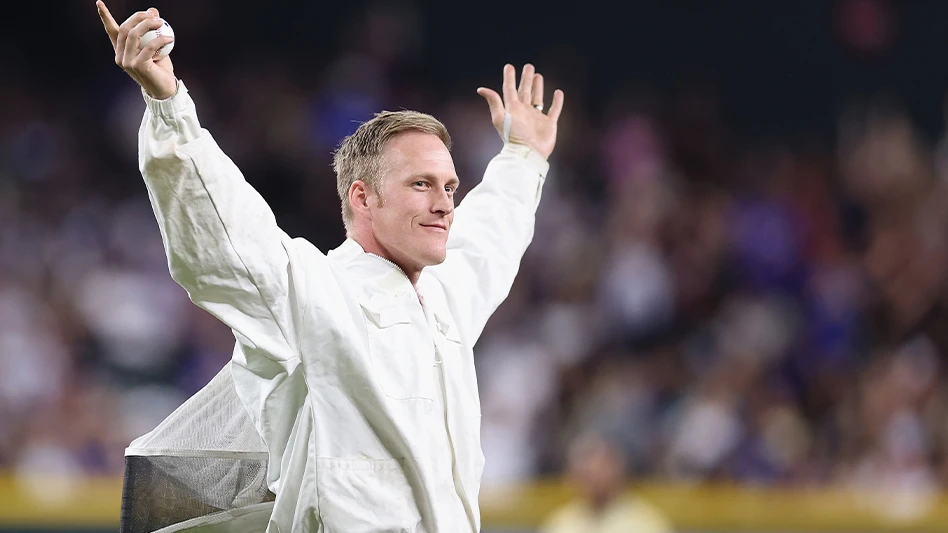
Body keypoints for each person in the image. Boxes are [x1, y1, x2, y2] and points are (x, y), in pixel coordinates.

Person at [96, 2, 565, 533]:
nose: (445, 204)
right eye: (421, 184)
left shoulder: (444, 294)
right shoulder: (315, 290)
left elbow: (490, 236)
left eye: (450, 187)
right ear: (362, 198)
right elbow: (224, 236)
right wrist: (167, 105)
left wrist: (523, 157)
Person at [540, 431, 674, 533]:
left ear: (616, 468)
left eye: (593, 471)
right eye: (582, 473)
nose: (588, 481)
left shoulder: (645, 523)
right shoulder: (561, 523)